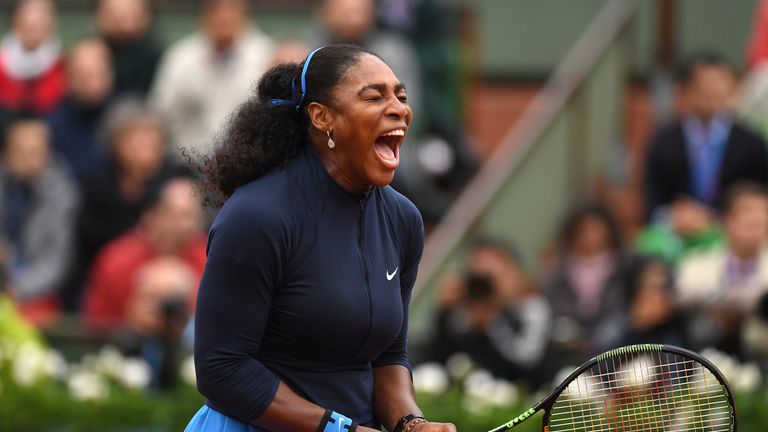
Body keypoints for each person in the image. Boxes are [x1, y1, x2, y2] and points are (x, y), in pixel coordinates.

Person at [185, 45, 455, 432]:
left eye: (401, 96)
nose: (398, 108)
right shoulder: (257, 217)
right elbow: (222, 370)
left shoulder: (403, 220)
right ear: (322, 116)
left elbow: (388, 356)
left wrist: (410, 423)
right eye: (374, 97)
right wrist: (340, 429)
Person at [644, 52, 768, 222]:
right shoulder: (663, 142)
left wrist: (713, 218)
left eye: (720, 82)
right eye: (705, 84)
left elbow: (759, 196)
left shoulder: (752, 144)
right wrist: (674, 217)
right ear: (685, 90)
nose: (713, 91)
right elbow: (653, 202)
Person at [149, 0, 273, 158]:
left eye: (232, 10)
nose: (224, 17)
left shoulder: (265, 55)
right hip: (188, 159)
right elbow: (159, 113)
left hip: (249, 158)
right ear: (204, 16)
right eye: (217, 10)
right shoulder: (181, 57)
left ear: (246, 16)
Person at [82, 177, 206, 331]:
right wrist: (129, 322)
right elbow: (95, 324)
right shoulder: (117, 260)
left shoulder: (210, 259)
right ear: (151, 215)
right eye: (175, 215)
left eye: (192, 216)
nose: (185, 225)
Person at [430, 238, 552, 389]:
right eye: (477, 278)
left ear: (514, 273)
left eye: (490, 277)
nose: (484, 288)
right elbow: (439, 364)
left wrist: (494, 323)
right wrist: (444, 312)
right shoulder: (463, 314)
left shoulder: (531, 308)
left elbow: (528, 365)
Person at [0, 119, 78, 325]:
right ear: (6, 154)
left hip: (37, 293)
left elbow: (56, 263)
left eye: (35, 152)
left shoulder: (64, 196)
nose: (28, 160)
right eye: (21, 152)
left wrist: (16, 289)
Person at [677, 183, 768, 357]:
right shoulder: (697, 262)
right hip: (705, 353)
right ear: (728, 221)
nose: (757, 229)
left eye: (762, 221)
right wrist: (726, 301)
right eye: (749, 222)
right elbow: (682, 294)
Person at [46, 38, 114, 184]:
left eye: (99, 74)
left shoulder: (125, 118)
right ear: (67, 78)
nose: (93, 84)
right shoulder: (51, 125)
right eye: (84, 76)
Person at [0, 0, 65, 125]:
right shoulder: (2, 66)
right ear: (15, 23)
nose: (34, 22)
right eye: (28, 18)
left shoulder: (64, 68)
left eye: (42, 18)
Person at [94, 0, 163, 98]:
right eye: (115, 15)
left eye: (130, 13)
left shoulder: (158, 58)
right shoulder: (91, 54)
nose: (122, 22)